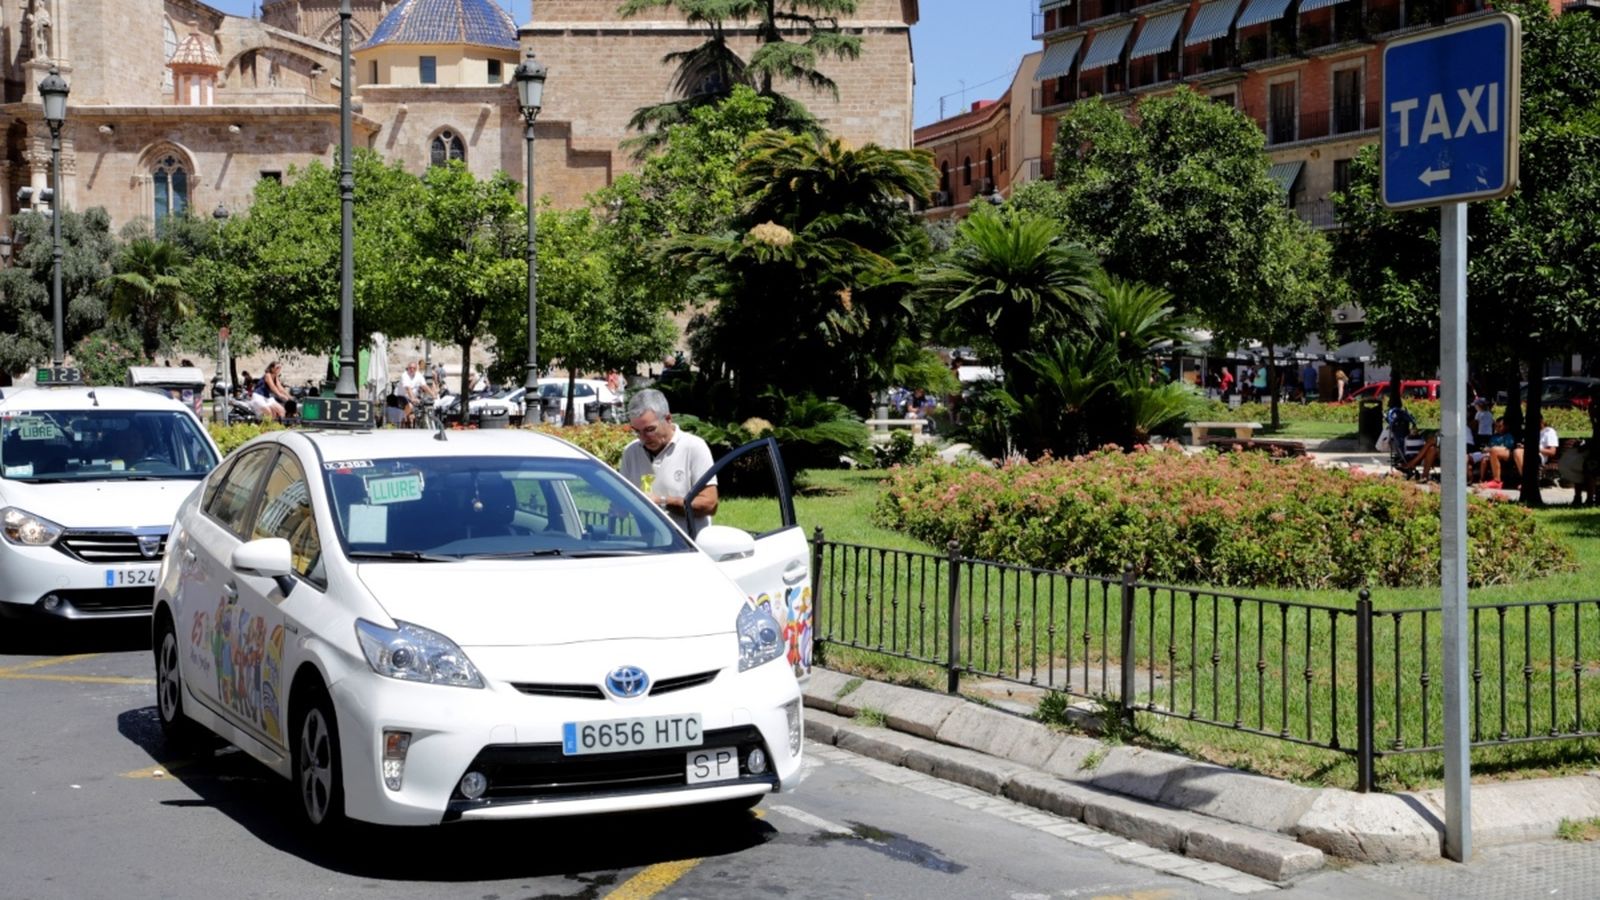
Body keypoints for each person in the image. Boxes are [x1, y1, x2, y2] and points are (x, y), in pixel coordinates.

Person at [619, 389, 718, 533]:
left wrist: (663, 502)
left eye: (650, 429)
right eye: (637, 431)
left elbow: (709, 504)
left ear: (668, 419)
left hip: (688, 543)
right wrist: (619, 507)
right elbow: (622, 502)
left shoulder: (694, 447)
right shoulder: (631, 451)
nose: (643, 438)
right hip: (647, 543)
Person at [399, 360, 432, 426]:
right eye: (410, 368)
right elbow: (408, 389)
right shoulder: (404, 375)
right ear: (407, 368)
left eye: (414, 368)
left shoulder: (418, 375)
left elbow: (424, 386)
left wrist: (433, 395)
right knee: (410, 406)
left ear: (416, 369)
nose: (412, 370)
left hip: (413, 396)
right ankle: (401, 418)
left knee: (422, 406)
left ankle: (417, 422)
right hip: (402, 396)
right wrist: (413, 398)